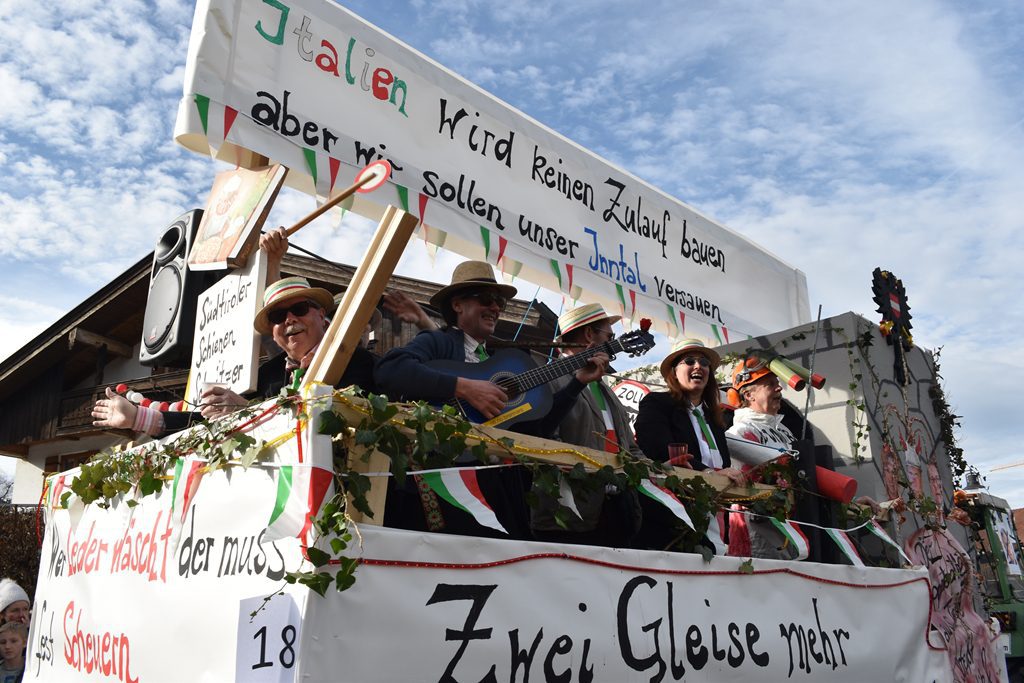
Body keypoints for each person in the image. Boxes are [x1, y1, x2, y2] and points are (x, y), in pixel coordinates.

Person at [375, 261, 609, 539]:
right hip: (446, 484)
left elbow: (538, 431)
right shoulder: (440, 342)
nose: (496, 308)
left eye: (500, 302)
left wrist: (576, 383)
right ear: (458, 305)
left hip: (497, 487)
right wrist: (464, 388)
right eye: (487, 299)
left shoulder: (505, 360)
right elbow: (390, 369)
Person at [91, 277, 379, 435]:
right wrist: (139, 417)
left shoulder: (357, 361)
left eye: (300, 309)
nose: (290, 319)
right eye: (278, 315)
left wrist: (249, 414)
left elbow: (334, 422)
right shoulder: (267, 375)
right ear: (273, 330)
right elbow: (215, 420)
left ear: (320, 314)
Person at [529, 303, 642, 547]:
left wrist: (661, 469)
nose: (613, 343)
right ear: (589, 336)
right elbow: (545, 442)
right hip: (568, 516)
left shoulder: (606, 389)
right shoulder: (547, 378)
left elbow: (629, 449)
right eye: (609, 336)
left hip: (614, 511)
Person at [633, 338, 743, 551]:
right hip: (673, 517)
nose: (698, 366)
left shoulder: (715, 419)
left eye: (703, 362)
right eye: (689, 361)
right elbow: (656, 449)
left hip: (715, 514)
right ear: (674, 372)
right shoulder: (656, 403)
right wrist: (710, 473)